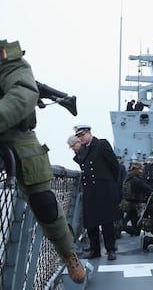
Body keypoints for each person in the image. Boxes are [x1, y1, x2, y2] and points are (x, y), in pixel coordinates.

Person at [0, 40, 85, 283]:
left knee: (44, 201)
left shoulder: (8, 60)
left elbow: (22, 93)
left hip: (16, 134)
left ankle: (68, 253)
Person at [73, 125, 120, 261]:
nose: (80, 138)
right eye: (79, 136)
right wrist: (76, 151)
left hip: (104, 190)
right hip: (90, 191)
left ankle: (110, 250)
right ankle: (95, 250)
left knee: (107, 222)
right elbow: (83, 164)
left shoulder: (101, 144)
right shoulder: (84, 150)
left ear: (89, 133)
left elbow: (114, 166)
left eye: (82, 135)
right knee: (91, 223)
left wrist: (110, 185)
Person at [119, 162, 153, 236]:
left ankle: (119, 228)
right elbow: (149, 189)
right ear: (135, 169)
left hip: (127, 203)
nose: (141, 171)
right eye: (140, 169)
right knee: (136, 230)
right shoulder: (137, 181)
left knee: (128, 219)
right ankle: (119, 228)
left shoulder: (128, 178)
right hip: (134, 205)